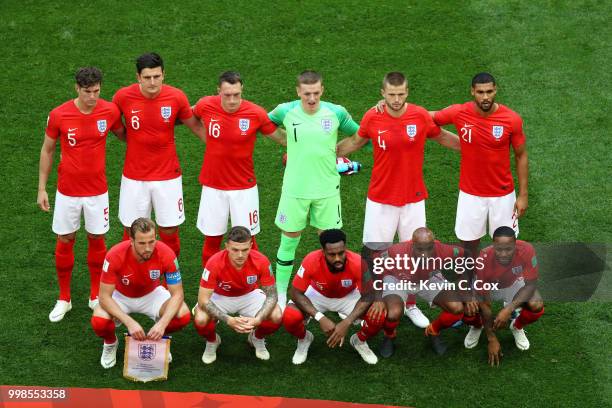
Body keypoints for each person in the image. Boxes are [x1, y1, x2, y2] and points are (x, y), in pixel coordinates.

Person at [337, 71, 461, 328]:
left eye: (400, 94)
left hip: (413, 198)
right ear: (382, 93)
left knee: (415, 255)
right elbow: (355, 142)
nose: (396, 99)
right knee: (374, 252)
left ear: (407, 93)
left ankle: (411, 304)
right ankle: (369, 300)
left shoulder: (419, 115)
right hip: (381, 198)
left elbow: (442, 137)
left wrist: (474, 147)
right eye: (391, 94)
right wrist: (320, 153)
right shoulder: (373, 116)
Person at [38, 67, 125, 322]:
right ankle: (64, 298)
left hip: (97, 191)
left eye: (97, 91)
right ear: (77, 88)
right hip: (67, 191)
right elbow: (48, 150)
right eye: (87, 92)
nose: (92, 97)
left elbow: (124, 135)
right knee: (65, 238)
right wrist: (42, 188)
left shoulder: (109, 111)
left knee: (97, 238)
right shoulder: (59, 114)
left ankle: (96, 295)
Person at [268, 70, 360, 308]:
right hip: (295, 189)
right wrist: (286, 141)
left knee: (331, 244)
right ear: (298, 91)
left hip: (327, 189)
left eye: (316, 93)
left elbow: (360, 135)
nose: (311, 98)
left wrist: (339, 150)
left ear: (322, 90)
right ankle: (280, 294)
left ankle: (334, 293)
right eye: (307, 93)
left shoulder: (336, 112)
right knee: (289, 240)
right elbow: (263, 125)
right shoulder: (285, 110)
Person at [112, 52, 205, 257]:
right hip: (134, 177)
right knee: (131, 230)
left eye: (156, 76)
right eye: (147, 77)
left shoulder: (176, 97)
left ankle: (168, 278)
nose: (152, 82)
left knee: (170, 230)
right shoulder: (122, 97)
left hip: (168, 176)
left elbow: (196, 127)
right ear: (138, 77)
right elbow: (116, 127)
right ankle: (132, 278)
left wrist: (219, 149)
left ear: (164, 74)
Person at [192, 71, 286, 268]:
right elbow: (186, 115)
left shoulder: (255, 113)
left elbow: (283, 138)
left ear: (242, 90)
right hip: (213, 186)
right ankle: (208, 288)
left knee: (250, 240)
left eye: (237, 94)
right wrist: (205, 137)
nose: (232, 100)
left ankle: (256, 285)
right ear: (219, 91)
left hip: (244, 188)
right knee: (212, 240)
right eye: (227, 95)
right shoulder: (206, 105)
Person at [432, 72, 529, 257]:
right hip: (470, 192)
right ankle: (472, 275)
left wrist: (523, 195)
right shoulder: (459, 112)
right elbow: (426, 117)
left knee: (505, 242)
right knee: (468, 242)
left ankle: (503, 278)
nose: (485, 97)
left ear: (495, 90)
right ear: (472, 92)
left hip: (503, 194)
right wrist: (393, 108)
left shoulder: (511, 119)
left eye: (489, 91)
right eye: (480, 92)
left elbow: (521, 155)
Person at [90, 218, 191, 369]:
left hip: (152, 294)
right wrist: (129, 322)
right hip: (121, 296)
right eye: (142, 243)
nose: (148, 248)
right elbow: (104, 297)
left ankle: (159, 338)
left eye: (151, 241)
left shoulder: (166, 254)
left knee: (183, 315)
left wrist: (162, 324)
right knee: (99, 321)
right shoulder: (114, 255)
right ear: (131, 240)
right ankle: (110, 342)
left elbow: (177, 294)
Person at [282, 229, 381, 365]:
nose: (337, 258)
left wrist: (347, 322)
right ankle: (304, 338)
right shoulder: (311, 259)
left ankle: (359, 340)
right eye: (331, 254)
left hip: (348, 296)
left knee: (379, 315)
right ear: (323, 251)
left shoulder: (358, 262)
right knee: (290, 316)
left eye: (341, 253)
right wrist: (320, 318)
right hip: (317, 295)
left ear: (345, 248)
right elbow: (295, 292)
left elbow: (369, 294)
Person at [364, 228, 467, 357]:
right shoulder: (396, 251)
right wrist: (378, 297)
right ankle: (389, 335)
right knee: (393, 313)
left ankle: (433, 330)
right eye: (420, 249)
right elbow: (372, 263)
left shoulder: (444, 249)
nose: (425, 254)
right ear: (412, 245)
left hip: (428, 279)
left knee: (457, 307)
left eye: (429, 248)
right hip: (398, 279)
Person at [193, 226, 282, 364]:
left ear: (251, 246)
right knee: (201, 319)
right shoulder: (214, 262)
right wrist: (228, 320)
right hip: (220, 296)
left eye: (245, 250)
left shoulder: (261, 261)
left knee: (276, 315)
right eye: (235, 250)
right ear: (227, 246)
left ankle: (257, 338)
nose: (240, 255)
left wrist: (258, 319)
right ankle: (212, 341)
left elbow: (272, 296)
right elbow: (203, 300)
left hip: (249, 295)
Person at [462, 226, 544, 366]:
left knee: (536, 304)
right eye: (499, 249)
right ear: (493, 246)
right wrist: (492, 339)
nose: (504, 254)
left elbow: (530, 285)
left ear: (515, 244)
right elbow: (484, 304)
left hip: (513, 284)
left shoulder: (526, 249)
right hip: (491, 287)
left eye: (508, 249)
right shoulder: (484, 259)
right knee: (469, 308)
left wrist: (508, 309)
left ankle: (516, 326)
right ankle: (477, 326)